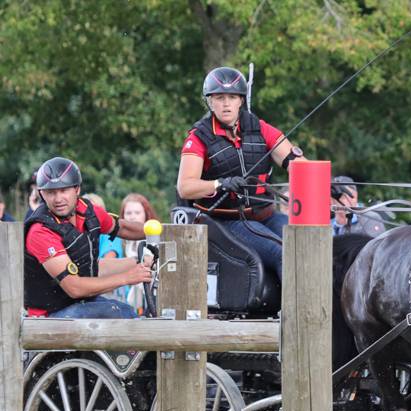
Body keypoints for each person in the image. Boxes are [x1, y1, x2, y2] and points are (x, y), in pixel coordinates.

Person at [176, 66, 305, 281]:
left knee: (306, 243)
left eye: (232, 97)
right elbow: (185, 187)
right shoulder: (198, 138)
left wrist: (325, 185)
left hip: (267, 216)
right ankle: (293, 304)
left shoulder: (261, 128)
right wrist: (220, 183)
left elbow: (298, 165)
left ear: (241, 100)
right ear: (210, 102)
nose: (226, 103)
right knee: (283, 253)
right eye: (220, 98)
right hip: (228, 222)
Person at [23, 157, 152, 319]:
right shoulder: (40, 231)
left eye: (64, 190)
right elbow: (74, 288)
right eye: (51, 192)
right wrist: (127, 277)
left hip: (79, 303)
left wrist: (160, 236)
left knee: (127, 311)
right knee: (124, 315)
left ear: (77, 189)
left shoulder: (89, 212)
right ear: (42, 193)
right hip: (47, 316)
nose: (58, 199)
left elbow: (124, 228)